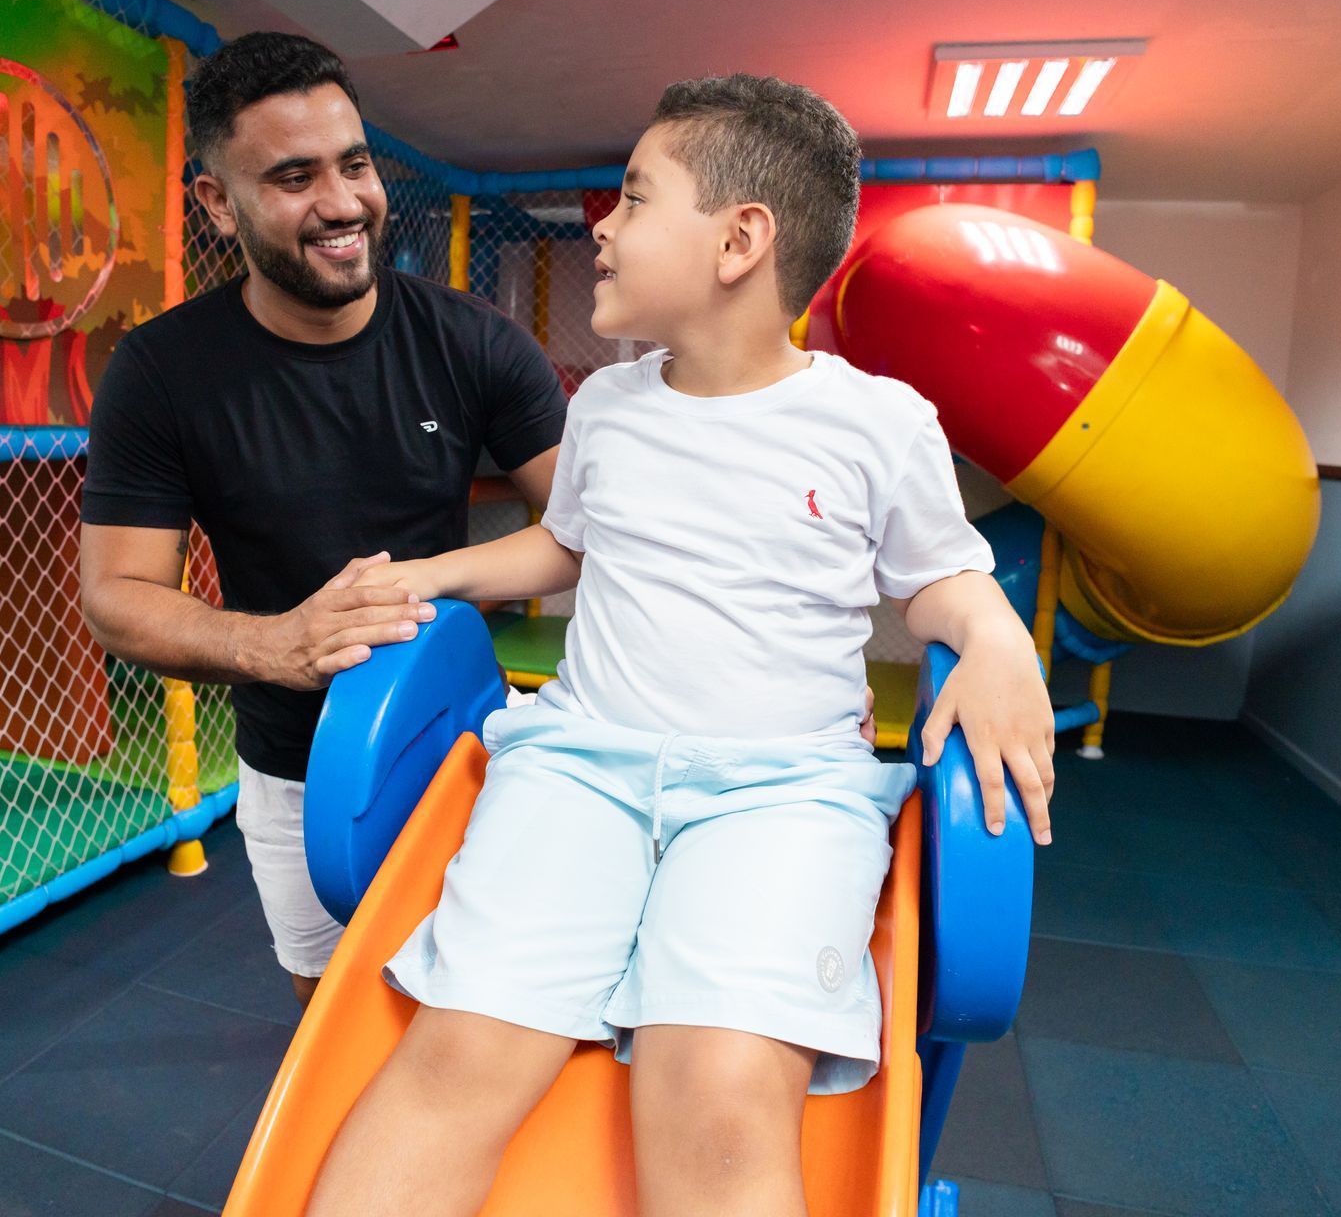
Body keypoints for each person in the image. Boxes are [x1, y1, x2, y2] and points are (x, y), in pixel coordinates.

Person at [306, 75, 1057, 1217]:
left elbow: (941, 578)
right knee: (461, 1047)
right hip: (582, 766)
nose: (602, 227)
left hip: (781, 791)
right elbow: (566, 545)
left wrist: (997, 637)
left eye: (634, 198)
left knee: (720, 1087)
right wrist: (435, 572)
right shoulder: (607, 406)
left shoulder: (876, 422)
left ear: (739, 241)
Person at [77, 32, 568, 1007]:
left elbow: (586, 530)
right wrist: (281, 645)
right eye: (294, 177)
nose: (343, 203)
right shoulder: (163, 371)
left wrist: (428, 579)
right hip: (297, 765)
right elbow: (116, 597)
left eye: (354, 164)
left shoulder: (474, 342)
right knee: (334, 1009)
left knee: (493, 1004)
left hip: (460, 737)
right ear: (219, 202)